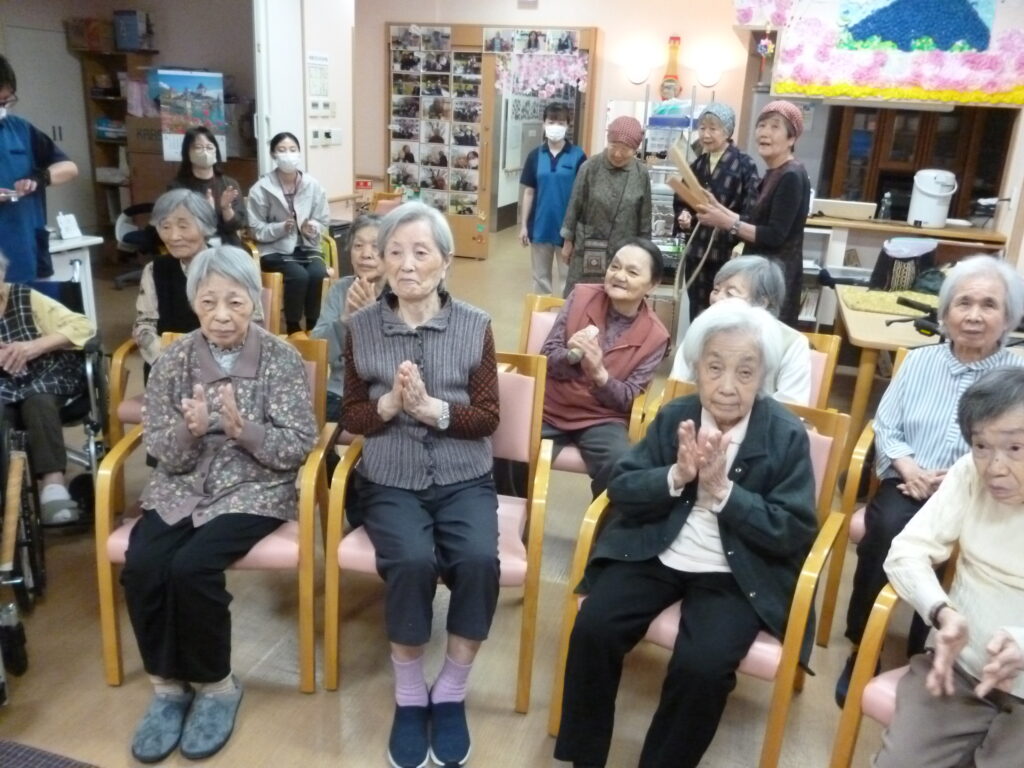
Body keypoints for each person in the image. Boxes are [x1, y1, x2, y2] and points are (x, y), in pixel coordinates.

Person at [554, 299, 817, 768]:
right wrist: (675, 476)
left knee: (703, 668)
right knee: (594, 627)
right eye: (715, 368)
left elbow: (794, 530)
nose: (728, 386)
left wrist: (725, 494)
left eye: (745, 372)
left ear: (764, 377)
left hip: (736, 572)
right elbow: (623, 486)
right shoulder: (678, 414)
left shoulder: (785, 435)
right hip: (654, 550)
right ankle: (584, 758)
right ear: (696, 369)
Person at [121, 245, 316, 764]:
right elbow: (159, 448)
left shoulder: (280, 358)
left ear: (255, 301)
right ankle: (167, 687)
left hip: (254, 488)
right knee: (143, 565)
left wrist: (243, 430)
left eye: (235, 301)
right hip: (181, 486)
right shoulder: (174, 360)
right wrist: (189, 432)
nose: (222, 315)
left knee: (192, 567)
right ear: (194, 305)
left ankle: (216, 687)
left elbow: (299, 444)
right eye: (209, 303)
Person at [341, 202, 500, 768]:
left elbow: (489, 417)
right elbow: (351, 415)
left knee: (478, 560)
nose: (406, 265)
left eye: (420, 252)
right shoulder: (360, 328)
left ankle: (450, 690)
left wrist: (436, 410)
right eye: (394, 252)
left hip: (465, 477)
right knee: (410, 561)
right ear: (380, 262)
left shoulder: (476, 325)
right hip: (390, 479)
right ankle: (410, 695)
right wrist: (387, 405)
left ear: (445, 261)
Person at [834, 255, 1024, 707]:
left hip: (982, 493)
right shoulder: (918, 362)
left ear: (1008, 318)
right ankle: (864, 643)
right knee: (885, 529)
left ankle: (926, 646)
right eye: (963, 303)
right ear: (945, 312)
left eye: (989, 305)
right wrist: (908, 467)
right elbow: (886, 425)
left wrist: (960, 477)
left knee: (954, 547)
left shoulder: (1015, 378)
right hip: (909, 481)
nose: (974, 316)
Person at [877, 367, 1024, 767]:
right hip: (958, 668)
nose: (994, 466)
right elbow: (906, 552)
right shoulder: (968, 473)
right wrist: (941, 611)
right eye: (981, 445)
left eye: (1015, 447)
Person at [540, 238, 669, 496]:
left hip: (601, 419)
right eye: (615, 266)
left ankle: (600, 522)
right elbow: (547, 356)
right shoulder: (581, 296)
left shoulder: (656, 336)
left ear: (653, 284)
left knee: (621, 466)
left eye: (632, 272)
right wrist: (572, 356)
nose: (619, 276)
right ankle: (516, 514)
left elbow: (627, 398)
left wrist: (599, 374)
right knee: (510, 444)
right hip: (550, 407)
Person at [0, 249, 95, 525]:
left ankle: (53, 486)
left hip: (44, 371)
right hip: (3, 384)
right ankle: (6, 495)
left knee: (38, 400)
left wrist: (34, 346)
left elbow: (82, 326)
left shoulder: (25, 297)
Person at [696, 100, 811, 326]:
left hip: (775, 279)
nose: (764, 133)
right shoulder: (774, 172)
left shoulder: (791, 175)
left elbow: (774, 235)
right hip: (761, 274)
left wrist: (727, 223)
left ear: (792, 138)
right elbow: (755, 221)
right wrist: (719, 209)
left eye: (775, 127)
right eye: (762, 125)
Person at [670, 256, 811, 405]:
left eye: (730, 293)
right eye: (716, 290)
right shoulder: (700, 329)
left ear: (762, 303)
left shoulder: (792, 343)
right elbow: (677, 386)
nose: (717, 299)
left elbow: (792, 405)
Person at [672, 104, 760, 319]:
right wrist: (684, 216)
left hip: (727, 252)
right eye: (702, 128)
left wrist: (740, 241)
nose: (706, 134)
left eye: (713, 129)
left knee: (724, 312)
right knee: (697, 310)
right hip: (697, 251)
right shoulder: (697, 164)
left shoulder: (745, 164)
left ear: (727, 132)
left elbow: (753, 209)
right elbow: (682, 200)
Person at [0, 54, 79, 283]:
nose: (3, 108)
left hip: (27, 251)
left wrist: (40, 177)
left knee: (33, 304)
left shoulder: (20, 129)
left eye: (5, 101)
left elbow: (69, 167)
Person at [247, 132, 330, 334]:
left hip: (307, 246)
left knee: (317, 273)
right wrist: (281, 228)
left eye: (293, 150)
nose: (288, 154)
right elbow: (255, 229)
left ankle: (313, 324)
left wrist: (312, 227)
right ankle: (293, 326)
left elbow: (323, 219)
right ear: (273, 155)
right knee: (299, 276)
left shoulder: (312, 185)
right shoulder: (261, 188)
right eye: (282, 150)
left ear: (299, 153)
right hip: (274, 249)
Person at [561, 116, 651, 297]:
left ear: (635, 149)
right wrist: (567, 242)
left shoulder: (641, 174)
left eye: (625, 149)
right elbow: (574, 205)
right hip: (589, 245)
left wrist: (645, 253)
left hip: (625, 249)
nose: (617, 154)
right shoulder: (590, 167)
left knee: (617, 297)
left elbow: (645, 217)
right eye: (613, 146)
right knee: (582, 297)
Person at [310, 214, 384, 424]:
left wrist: (371, 320)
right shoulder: (341, 290)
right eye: (358, 246)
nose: (365, 254)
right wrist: (344, 320)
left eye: (375, 246)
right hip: (340, 391)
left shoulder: (402, 295)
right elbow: (318, 350)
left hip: (383, 395)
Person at [132, 189, 217, 367]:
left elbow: (249, 326)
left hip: (220, 367)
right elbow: (144, 325)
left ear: (205, 227)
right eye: (165, 227)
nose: (173, 236)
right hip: (166, 365)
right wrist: (169, 360)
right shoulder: (154, 270)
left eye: (183, 226)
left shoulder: (229, 267)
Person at [519, 102, 587, 296]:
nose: (555, 126)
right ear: (544, 124)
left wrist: (577, 230)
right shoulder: (535, 156)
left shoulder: (578, 156)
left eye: (560, 123)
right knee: (540, 278)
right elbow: (529, 192)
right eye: (551, 122)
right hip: (540, 227)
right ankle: (541, 313)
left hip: (567, 231)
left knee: (569, 279)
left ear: (567, 125)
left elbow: (583, 196)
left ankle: (568, 314)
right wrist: (523, 226)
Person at [168, 126, 246, 247]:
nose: (205, 152)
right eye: (198, 147)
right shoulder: (177, 187)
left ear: (216, 151)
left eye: (209, 147)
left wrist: (226, 208)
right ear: (188, 152)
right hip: (194, 245)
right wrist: (204, 214)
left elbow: (238, 225)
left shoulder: (229, 184)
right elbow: (175, 224)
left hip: (227, 245)